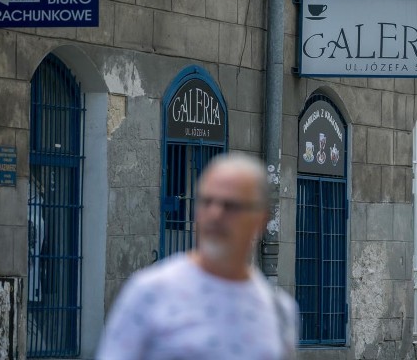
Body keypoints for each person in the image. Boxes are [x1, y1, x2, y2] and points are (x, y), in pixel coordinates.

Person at [97, 152, 298, 359]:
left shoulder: (279, 312)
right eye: (206, 201)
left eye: (231, 206)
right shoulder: (151, 292)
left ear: (261, 220)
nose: (215, 214)